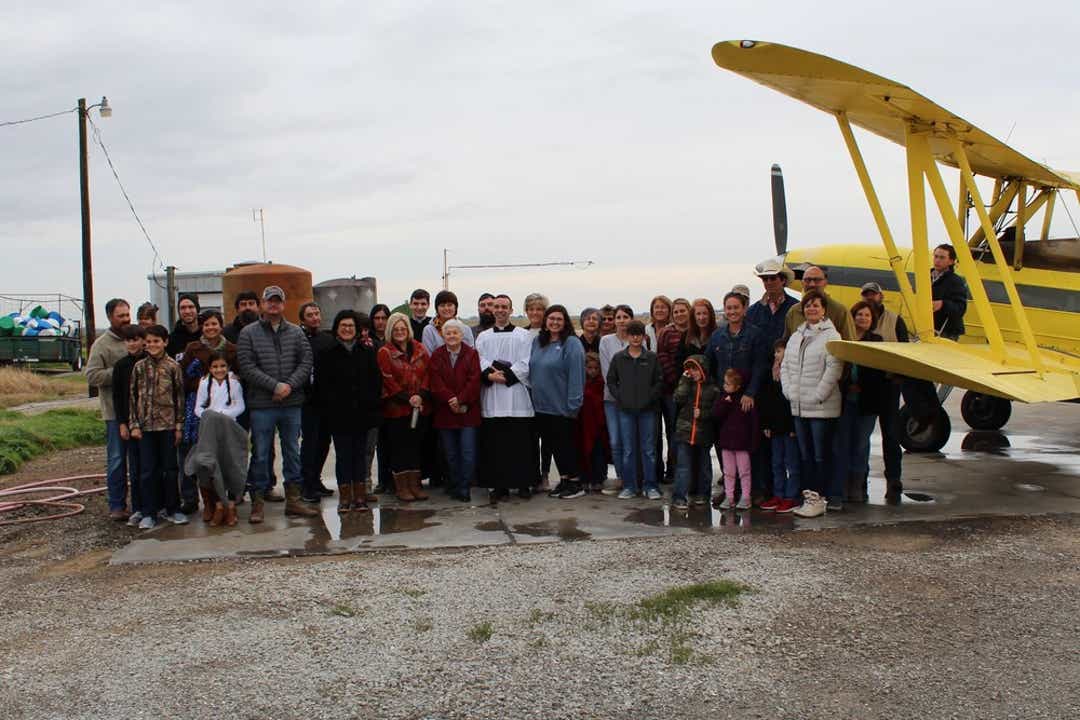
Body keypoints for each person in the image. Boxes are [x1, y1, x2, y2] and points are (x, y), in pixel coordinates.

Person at [236, 285, 318, 523]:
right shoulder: (248, 333)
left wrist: (288, 386)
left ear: (283, 305)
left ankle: (294, 500)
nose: (273, 305)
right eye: (269, 300)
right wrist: (274, 386)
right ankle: (258, 502)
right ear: (262, 304)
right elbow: (247, 366)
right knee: (260, 453)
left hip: (291, 403)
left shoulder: (296, 333)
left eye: (277, 301)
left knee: (292, 451)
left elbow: (306, 362)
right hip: (262, 404)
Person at [781, 290, 843, 518]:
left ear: (824, 309)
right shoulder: (796, 336)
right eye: (807, 305)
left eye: (816, 305)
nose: (811, 309)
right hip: (798, 406)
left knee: (820, 455)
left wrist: (818, 395)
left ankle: (820, 497)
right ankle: (809, 497)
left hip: (821, 408)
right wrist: (789, 391)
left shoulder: (831, 336)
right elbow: (786, 365)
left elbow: (834, 368)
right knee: (805, 455)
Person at [316, 310, 382, 512]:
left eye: (351, 326)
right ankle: (345, 497)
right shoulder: (327, 353)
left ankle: (360, 496)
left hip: (362, 414)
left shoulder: (366, 352)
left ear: (357, 329)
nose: (347, 329)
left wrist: (371, 407)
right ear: (337, 328)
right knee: (343, 456)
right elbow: (321, 385)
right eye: (343, 326)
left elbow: (375, 382)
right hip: (339, 415)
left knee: (360, 455)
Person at [706, 291, 769, 502]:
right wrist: (716, 392)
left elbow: (760, 366)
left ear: (744, 309)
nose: (732, 311)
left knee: (749, 444)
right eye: (729, 308)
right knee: (725, 444)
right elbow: (709, 364)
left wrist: (750, 393)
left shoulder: (755, 335)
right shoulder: (717, 336)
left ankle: (753, 490)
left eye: (736, 307)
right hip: (725, 399)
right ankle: (730, 490)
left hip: (746, 399)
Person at [475, 294, 536, 500]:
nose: (500, 310)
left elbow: (526, 361)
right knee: (496, 446)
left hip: (516, 395)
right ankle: (498, 486)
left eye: (504, 307)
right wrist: (490, 375)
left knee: (520, 444)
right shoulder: (483, 337)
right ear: (492, 310)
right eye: (497, 306)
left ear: (511, 310)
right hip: (492, 396)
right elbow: (479, 359)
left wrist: (507, 376)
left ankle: (523, 484)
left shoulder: (523, 335)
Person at [178, 309, 238, 515]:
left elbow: (239, 376)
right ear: (201, 328)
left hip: (226, 410)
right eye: (206, 325)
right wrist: (205, 384)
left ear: (221, 325)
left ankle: (226, 500)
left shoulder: (231, 349)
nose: (210, 328)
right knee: (199, 456)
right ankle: (201, 501)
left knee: (224, 457)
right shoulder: (192, 348)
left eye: (214, 324)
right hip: (199, 408)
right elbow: (183, 377)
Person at [128, 324, 186, 530]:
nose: (152, 345)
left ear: (165, 342)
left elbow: (179, 398)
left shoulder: (173, 367)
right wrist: (134, 425)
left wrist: (179, 426)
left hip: (168, 426)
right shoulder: (139, 367)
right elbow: (132, 397)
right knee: (147, 471)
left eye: (156, 341)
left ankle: (173, 509)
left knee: (170, 469)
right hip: (145, 428)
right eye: (149, 342)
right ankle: (148, 512)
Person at [530, 305, 587, 499]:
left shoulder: (571, 343)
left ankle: (576, 483)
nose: (554, 322)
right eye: (551, 318)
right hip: (541, 406)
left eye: (559, 319)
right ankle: (564, 481)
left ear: (565, 322)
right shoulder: (538, 342)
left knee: (565, 446)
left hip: (562, 407)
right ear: (545, 321)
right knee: (554, 447)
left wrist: (574, 405)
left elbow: (577, 376)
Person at [377, 312, 432, 502]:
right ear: (390, 331)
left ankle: (415, 485)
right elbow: (387, 380)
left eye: (403, 328)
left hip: (419, 407)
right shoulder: (385, 352)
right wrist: (408, 398)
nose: (400, 332)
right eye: (396, 329)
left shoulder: (420, 349)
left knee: (415, 447)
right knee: (399, 449)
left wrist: (420, 396)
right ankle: (402, 487)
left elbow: (428, 374)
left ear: (408, 330)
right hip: (396, 409)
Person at [85, 297, 131, 521]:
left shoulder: (135, 338)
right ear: (110, 317)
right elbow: (92, 376)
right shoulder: (101, 345)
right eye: (121, 316)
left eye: (127, 314)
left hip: (140, 412)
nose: (126, 319)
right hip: (114, 413)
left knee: (142, 462)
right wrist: (120, 373)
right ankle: (116, 505)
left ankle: (144, 505)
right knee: (117, 460)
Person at [860, 282, 908, 499]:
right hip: (865, 387)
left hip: (889, 385)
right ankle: (860, 479)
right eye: (866, 294)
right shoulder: (857, 318)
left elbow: (906, 351)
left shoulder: (895, 320)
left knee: (891, 435)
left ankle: (894, 479)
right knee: (862, 437)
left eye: (873, 294)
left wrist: (899, 377)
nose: (870, 297)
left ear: (881, 296)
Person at [188, 351, 246, 526]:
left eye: (222, 366)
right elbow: (198, 408)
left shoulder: (234, 383)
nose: (219, 370)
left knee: (230, 465)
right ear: (209, 368)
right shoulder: (204, 382)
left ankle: (231, 506)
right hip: (209, 431)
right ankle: (218, 505)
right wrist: (212, 416)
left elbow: (240, 406)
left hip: (229, 429)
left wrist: (222, 415)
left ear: (228, 367)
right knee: (210, 465)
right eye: (215, 367)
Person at [607, 320, 663, 500]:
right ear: (627, 336)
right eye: (632, 334)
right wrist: (621, 397)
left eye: (639, 334)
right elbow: (611, 381)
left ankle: (650, 486)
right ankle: (629, 486)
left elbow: (659, 382)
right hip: (625, 410)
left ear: (644, 337)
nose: (636, 338)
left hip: (648, 410)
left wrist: (650, 398)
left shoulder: (652, 358)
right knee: (628, 450)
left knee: (648, 450)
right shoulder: (618, 358)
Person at [839, 301, 888, 503]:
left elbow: (879, 373)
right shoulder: (844, 339)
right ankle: (842, 486)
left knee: (860, 444)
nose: (863, 318)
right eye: (859, 314)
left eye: (867, 315)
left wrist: (862, 385)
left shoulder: (877, 341)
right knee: (843, 444)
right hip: (844, 401)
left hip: (867, 402)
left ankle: (857, 487)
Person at [429, 318, 482, 502]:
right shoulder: (437, 355)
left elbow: (474, 381)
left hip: (468, 412)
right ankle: (455, 483)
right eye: (448, 333)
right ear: (443, 335)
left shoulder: (472, 354)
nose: (451, 336)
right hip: (445, 412)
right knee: (450, 454)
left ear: (462, 335)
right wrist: (451, 400)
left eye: (455, 332)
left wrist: (460, 400)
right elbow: (435, 382)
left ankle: (464, 487)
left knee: (468, 453)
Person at [298, 301, 336, 503]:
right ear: (302, 319)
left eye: (316, 314)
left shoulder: (327, 339)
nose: (314, 318)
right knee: (310, 442)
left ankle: (316, 479)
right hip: (307, 400)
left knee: (323, 441)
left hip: (326, 399)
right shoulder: (298, 338)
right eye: (310, 315)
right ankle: (306, 483)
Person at [757, 340, 801, 514]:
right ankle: (778, 494)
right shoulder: (772, 374)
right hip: (775, 426)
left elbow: (793, 402)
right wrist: (766, 424)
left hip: (789, 426)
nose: (777, 355)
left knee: (792, 463)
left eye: (780, 351)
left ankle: (791, 496)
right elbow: (767, 401)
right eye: (775, 351)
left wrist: (794, 427)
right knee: (777, 462)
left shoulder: (794, 373)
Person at [671, 355, 719, 510]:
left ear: (703, 369)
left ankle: (703, 494)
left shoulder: (713, 389)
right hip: (684, 432)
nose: (693, 372)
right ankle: (679, 497)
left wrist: (703, 414)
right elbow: (677, 398)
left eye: (695, 368)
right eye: (690, 369)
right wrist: (684, 381)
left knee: (704, 466)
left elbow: (716, 412)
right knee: (683, 466)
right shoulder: (686, 384)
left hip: (704, 434)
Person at [112, 324, 147, 526]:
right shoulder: (121, 366)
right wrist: (122, 424)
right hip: (130, 423)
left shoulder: (149, 362)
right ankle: (138, 507)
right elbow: (118, 397)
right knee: (135, 467)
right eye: (129, 340)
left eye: (136, 340)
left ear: (143, 341)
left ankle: (156, 505)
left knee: (152, 467)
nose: (132, 344)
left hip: (150, 422)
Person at [713, 369, 760, 510]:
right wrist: (725, 403)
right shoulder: (723, 398)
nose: (724, 386)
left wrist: (753, 442)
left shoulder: (745, 401)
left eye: (728, 384)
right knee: (728, 472)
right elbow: (716, 415)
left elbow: (754, 423)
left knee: (744, 471)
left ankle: (746, 497)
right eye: (724, 383)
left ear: (737, 386)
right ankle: (729, 496)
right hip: (726, 443)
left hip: (742, 443)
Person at [598, 304, 633, 492]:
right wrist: (618, 392)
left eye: (625, 317)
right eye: (618, 317)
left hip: (633, 399)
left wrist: (630, 394)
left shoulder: (637, 339)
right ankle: (620, 476)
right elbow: (606, 372)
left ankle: (631, 477)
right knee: (615, 441)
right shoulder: (606, 341)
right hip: (611, 398)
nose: (621, 321)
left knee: (630, 440)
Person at [656, 298, 691, 482]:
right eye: (676, 312)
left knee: (690, 432)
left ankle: (689, 470)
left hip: (693, 390)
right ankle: (673, 469)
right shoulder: (666, 332)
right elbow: (662, 357)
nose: (679, 314)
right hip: (671, 390)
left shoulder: (694, 331)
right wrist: (677, 381)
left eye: (682, 310)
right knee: (673, 431)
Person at [783, 266, 856, 340]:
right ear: (802, 283)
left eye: (817, 280)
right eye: (808, 280)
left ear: (825, 283)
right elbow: (786, 341)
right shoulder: (793, 311)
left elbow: (850, 344)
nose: (812, 284)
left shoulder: (840, 312)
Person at [644, 295, 673, 482]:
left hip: (670, 387)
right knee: (653, 433)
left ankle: (672, 470)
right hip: (651, 387)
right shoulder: (646, 331)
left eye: (663, 307)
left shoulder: (674, 330)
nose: (660, 310)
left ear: (669, 310)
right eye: (657, 307)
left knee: (672, 431)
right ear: (652, 310)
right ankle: (656, 471)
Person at [575, 352, 609, 493]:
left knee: (598, 452)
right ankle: (585, 478)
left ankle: (598, 479)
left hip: (598, 424)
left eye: (596, 368)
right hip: (583, 423)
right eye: (589, 368)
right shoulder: (580, 383)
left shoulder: (602, 383)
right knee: (583, 450)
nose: (593, 371)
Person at [747, 258, 800, 349]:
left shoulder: (796, 308)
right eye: (765, 279)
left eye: (773, 278)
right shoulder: (752, 311)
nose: (769, 282)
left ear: (783, 280)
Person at [367, 303, 392, 494]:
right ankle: (378, 481)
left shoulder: (394, 339)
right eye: (377, 318)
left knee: (391, 443)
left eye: (384, 318)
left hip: (393, 397)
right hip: (374, 399)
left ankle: (392, 480)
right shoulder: (367, 341)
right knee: (374, 444)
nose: (380, 322)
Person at [932, 243, 968, 340]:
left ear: (951, 261)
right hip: (927, 328)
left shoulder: (956, 281)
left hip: (946, 332)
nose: (937, 260)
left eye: (942, 258)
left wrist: (942, 304)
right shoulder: (926, 276)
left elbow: (961, 308)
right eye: (936, 256)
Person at [675, 298, 716, 369]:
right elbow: (679, 362)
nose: (701, 318)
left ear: (710, 315)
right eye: (698, 314)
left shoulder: (717, 335)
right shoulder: (686, 336)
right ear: (693, 316)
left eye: (705, 313)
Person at [166, 293, 202, 358]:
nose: (187, 311)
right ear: (179, 312)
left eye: (191, 307)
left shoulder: (207, 335)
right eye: (183, 308)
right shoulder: (171, 340)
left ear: (197, 309)